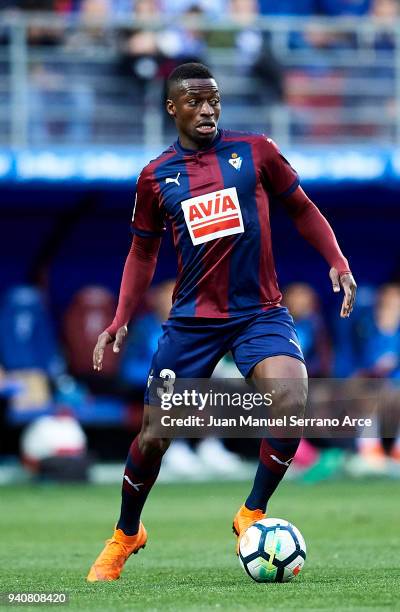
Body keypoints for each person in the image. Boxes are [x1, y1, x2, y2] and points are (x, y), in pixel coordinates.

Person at [86, 62, 357, 582]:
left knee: (291, 400)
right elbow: (142, 253)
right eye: (194, 101)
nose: (207, 109)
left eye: (213, 99)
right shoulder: (155, 176)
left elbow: (302, 208)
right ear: (173, 108)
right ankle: (126, 535)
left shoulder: (256, 150)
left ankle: (251, 514)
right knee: (154, 437)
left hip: (260, 311)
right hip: (192, 322)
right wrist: (121, 316)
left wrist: (337, 260)